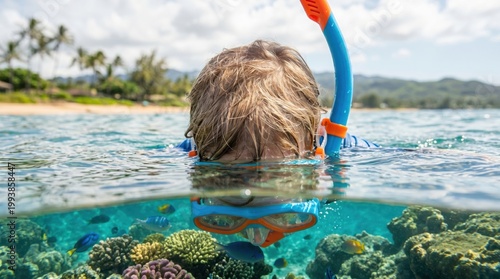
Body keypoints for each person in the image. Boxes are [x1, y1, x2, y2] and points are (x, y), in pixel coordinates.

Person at [178, 40, 377, 247]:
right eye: (231, 184)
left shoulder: (347, 151)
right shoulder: (183, 154)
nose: (258, 239)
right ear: (198, 150)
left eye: (277, 182)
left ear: (313, 145)